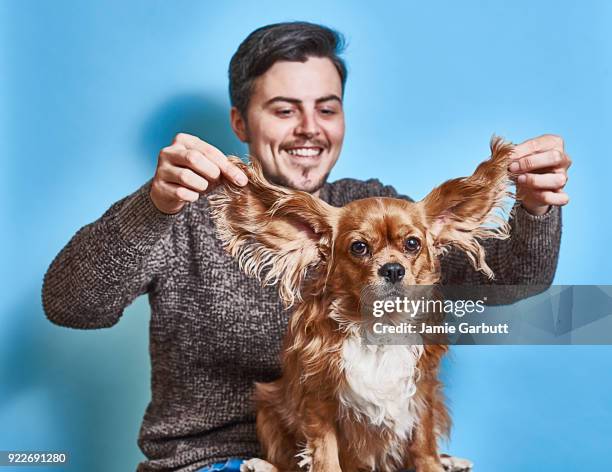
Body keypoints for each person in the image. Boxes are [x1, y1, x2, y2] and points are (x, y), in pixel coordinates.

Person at [42, 22, 571, 472]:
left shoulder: (380, 208)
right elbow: (69, 304)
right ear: (239, 122)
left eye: (327, 108)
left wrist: (534, 206)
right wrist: (153, 207)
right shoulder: (182, 215)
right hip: (211, 461)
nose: (309, 130)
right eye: (284, 109)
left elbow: (510, 284)